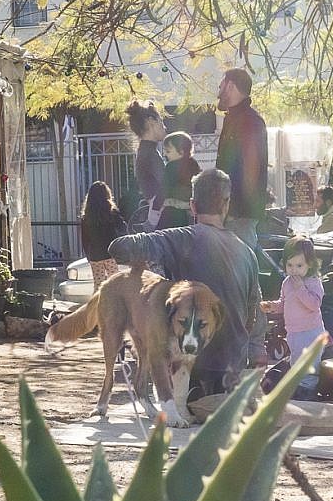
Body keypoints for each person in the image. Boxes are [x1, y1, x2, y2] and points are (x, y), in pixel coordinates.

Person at [108, 169, 267, 400]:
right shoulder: (246, 252)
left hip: (190, 375)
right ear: (227, 205)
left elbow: (118, 248)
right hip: (233, 375)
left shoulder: (180, 238)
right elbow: (253, 315)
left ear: (192, 205)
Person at [215, 67, 268, 250]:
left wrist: (233, 209)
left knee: (240, 271)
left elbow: (251, 169)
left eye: (220, 86)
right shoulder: (233, 119)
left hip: (239, 216)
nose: (218, 93)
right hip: (231, 213)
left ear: (230, 86)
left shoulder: (250, 121)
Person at [266, 235, 326, 394]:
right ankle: (298, 386)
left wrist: (301, 288)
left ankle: (308, 389)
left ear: (310, 264)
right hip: (293, 332)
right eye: (290, 265)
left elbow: (314, 305)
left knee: (310, 363)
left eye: (299, 265)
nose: (294, 270)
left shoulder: (313, 282)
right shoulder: (287, 282)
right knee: (296, 360)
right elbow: (284, 304)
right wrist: (272, 306)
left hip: (311, 331)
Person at [127, 100, 167, 228]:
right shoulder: (149, 154)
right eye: (161, 122)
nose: (164, 127)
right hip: (162, 219)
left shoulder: (145, 152)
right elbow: (167, 184)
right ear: (151, 121)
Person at [79, 181, 129, 281]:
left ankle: (99, 297)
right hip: (111, 253)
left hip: (95, 254)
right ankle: (114, 297)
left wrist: (88, 255)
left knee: (98, 284)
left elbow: (85, 238)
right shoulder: (112, 212)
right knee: (114, 282)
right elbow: (123, 228)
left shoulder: (86, 216)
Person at [157, 130, 200, 229]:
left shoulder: (171, 166)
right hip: (190, 209)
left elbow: (164, 188)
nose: (165, 155)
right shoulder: (194, 164)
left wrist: (158, 204)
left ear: (181, 152)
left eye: (168, 151)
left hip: (173, 211)